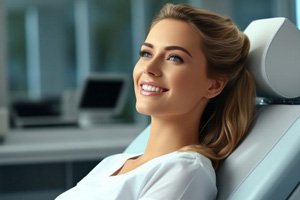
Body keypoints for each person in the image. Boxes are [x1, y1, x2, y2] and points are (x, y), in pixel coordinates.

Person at [56, 3, 255, 200]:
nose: (150, 68)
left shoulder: (184, 171)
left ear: (213, 86)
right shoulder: (113, 163)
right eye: (146, 53)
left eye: (174, 58)